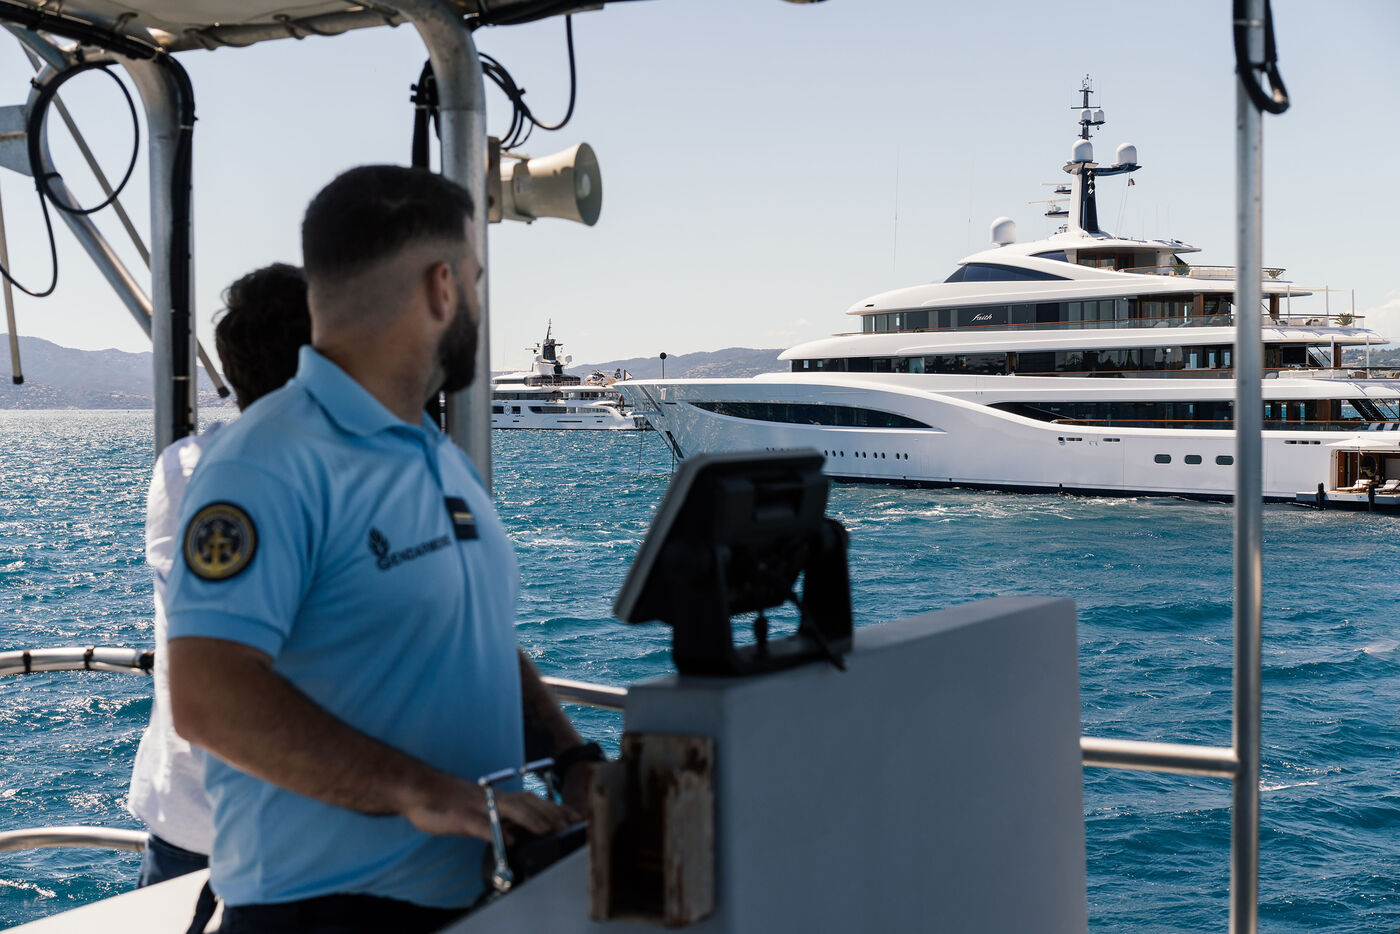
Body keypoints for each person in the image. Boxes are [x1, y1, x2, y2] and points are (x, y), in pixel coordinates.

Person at [164, 165, 591, 934]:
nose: (478, 301)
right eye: (476, 280)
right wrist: (426, 793)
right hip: (320, 917)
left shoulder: (431, 450)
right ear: (442, 288)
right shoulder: (266, 463)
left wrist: (573, 760)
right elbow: (209, 695)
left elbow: (477, 643)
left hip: (472, 896)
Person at [128, 263, 311, 887]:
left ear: (232, 371)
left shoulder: (183, 466)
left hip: (186, 816)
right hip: (284, 830)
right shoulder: (309, 477)